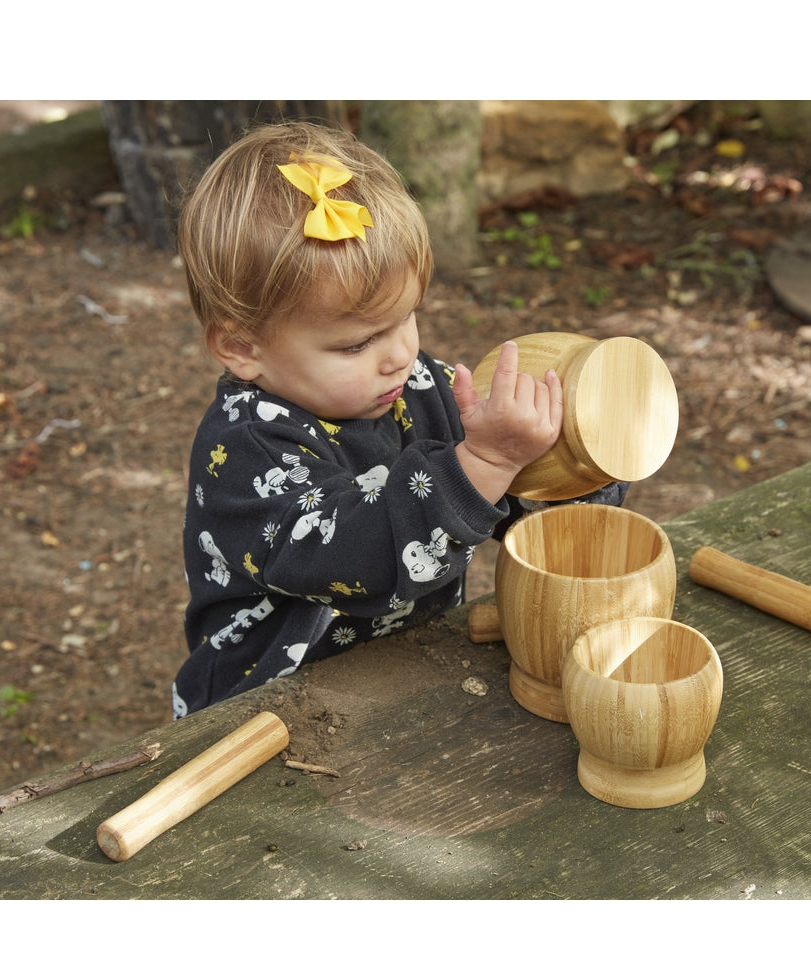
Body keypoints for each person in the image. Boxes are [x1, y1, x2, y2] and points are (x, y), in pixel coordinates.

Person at [171, 121, 626, 718]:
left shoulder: (416, 384)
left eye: (407, 316)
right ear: (241, 346)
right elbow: (356, 559)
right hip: (263, 711)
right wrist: (486, 460)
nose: (400, 355)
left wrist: (571, 460)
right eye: (357, 344)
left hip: (404, 678)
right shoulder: (244, 451)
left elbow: (512, 503)